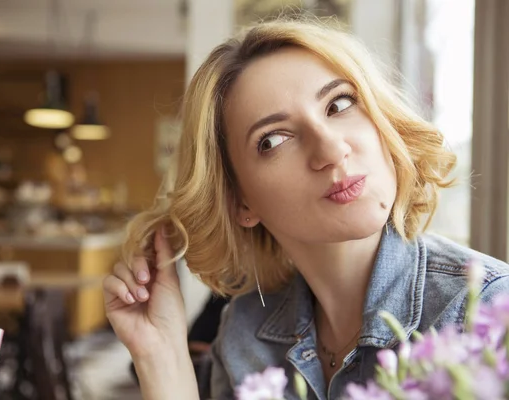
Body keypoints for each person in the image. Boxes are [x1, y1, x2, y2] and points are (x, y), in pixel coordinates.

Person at [102, 18, 509, 400]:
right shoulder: (246, 333)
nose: (331, 150)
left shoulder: (486, 311)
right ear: (240, 200)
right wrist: (159, 354)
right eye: (273, 140)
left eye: (339, 104)